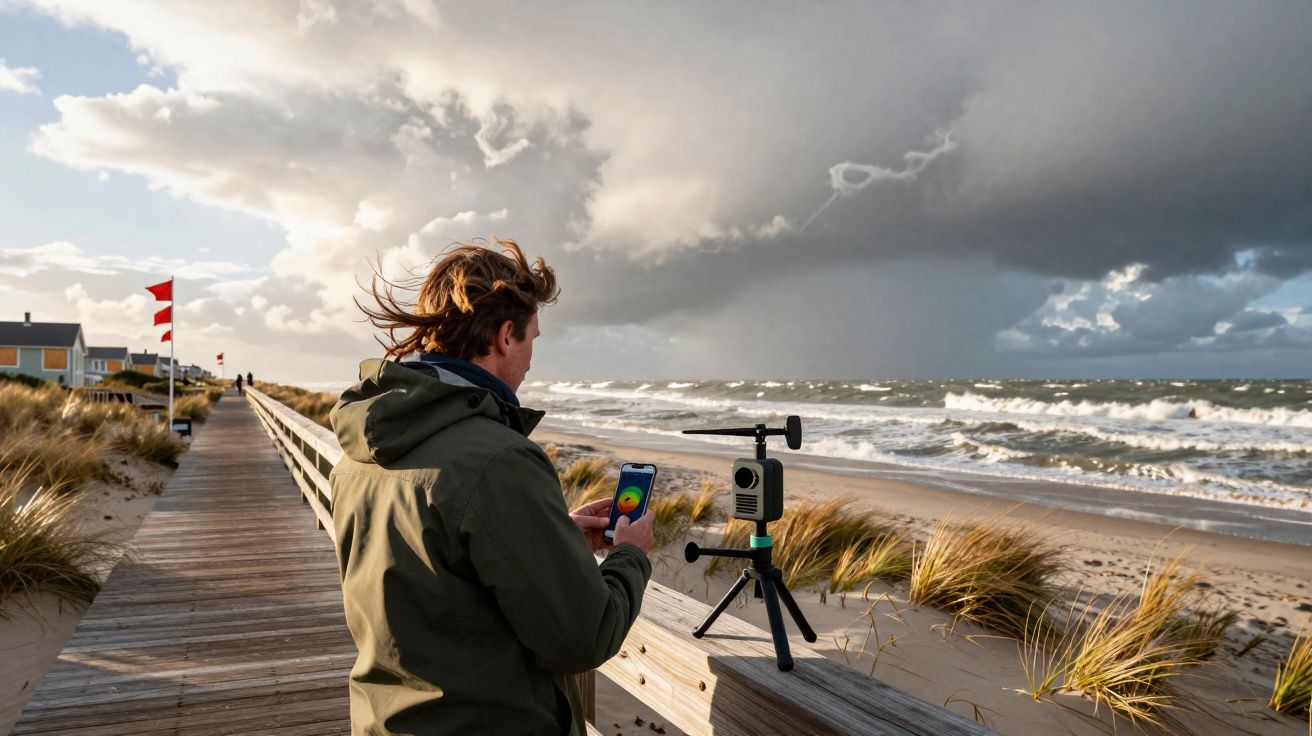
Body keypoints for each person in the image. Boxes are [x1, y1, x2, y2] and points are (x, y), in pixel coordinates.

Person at [329, 238, 654, 736]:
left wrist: (551, 536)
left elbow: (436, 568)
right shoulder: (499, 460)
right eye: (532, 340)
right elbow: (584, 637)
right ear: (506, 336)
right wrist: (631, 555)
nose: (531, 360)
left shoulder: (361, 451)